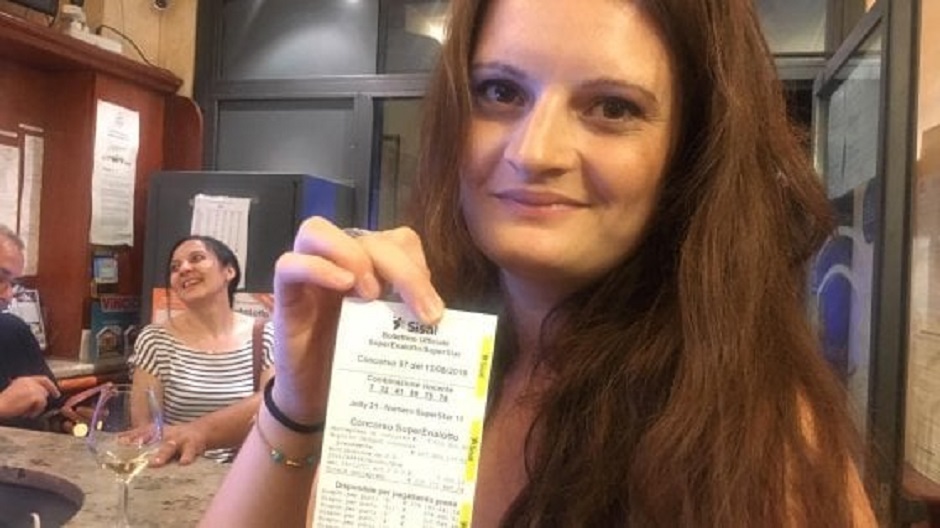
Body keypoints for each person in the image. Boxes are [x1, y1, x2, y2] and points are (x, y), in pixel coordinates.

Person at [203, 0, 877, 525]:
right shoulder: (425, 348)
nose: (534, 152)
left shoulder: (756, 441)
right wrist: (299, 404)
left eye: (612, 107)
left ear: (690, 151)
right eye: (501, 92)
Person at [130, 235, 274, 464]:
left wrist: (196, 432)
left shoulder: (266, 335)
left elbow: (273, 407)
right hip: (178, 470)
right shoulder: (155, 340)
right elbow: (145, 430)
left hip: (247, 474)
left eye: (196, 258)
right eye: (175, 267)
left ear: (229, 271)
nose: (184, 269)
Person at [0, 224, 61, 429]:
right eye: (0, 279)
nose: (9, 296)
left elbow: (52, 407)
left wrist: (68, 420)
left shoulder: (12, 331)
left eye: (13, 283)